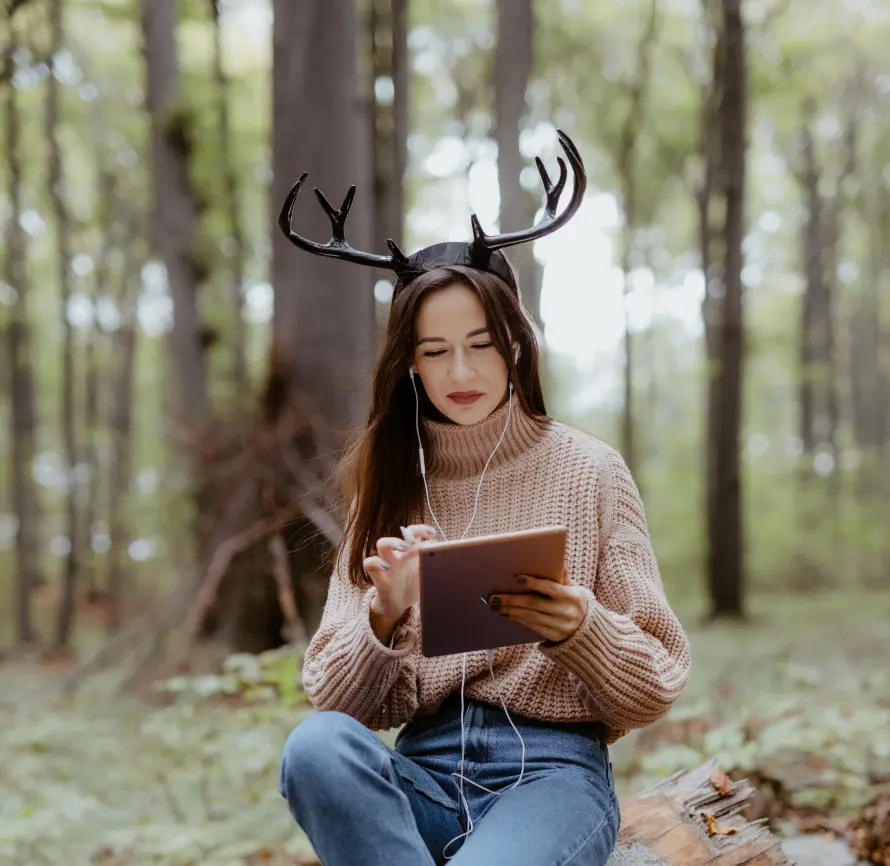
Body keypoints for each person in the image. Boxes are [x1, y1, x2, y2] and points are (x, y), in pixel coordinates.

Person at [275, 131, 691, 866]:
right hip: (424, 775)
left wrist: (579, 626)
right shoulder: (389, 481)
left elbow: (656, 682)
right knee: (315, 750)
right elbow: (336, 704)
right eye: (434, 352)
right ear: (407, 365)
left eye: (482, 343)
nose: (460, 370)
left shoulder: (591, 470)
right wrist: (383, 615)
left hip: (553, 775)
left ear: (517, 343)